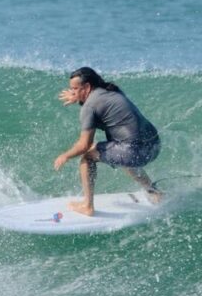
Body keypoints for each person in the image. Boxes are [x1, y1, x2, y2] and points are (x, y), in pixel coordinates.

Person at [53, 67, 162, 216]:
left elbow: (83, 145)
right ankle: (154, 193)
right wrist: (78, 97)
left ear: (87, 87)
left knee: (88, 156)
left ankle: (87, 206)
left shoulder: (89, 106)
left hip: (134, 153)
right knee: (119, 150)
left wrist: (65, 155)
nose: (72, 92)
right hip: (154, 146)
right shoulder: (113, 90)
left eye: (75, 89)